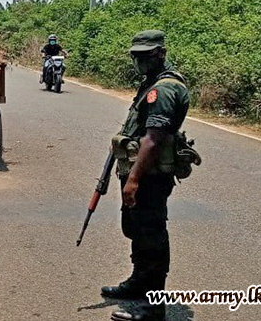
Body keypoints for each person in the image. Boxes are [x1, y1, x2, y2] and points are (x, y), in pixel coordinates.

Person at [102, 30, 190, 321]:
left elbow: (153, 139)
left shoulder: (163, 89)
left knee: (152, 236)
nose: (140, 60)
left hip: (150, 175)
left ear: (161, 54)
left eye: (146, 55)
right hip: (142, 171)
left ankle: (154, 307)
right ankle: (139, 284)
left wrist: (134, 180)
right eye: (136, 55)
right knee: (137, 230)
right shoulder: (150, 84)